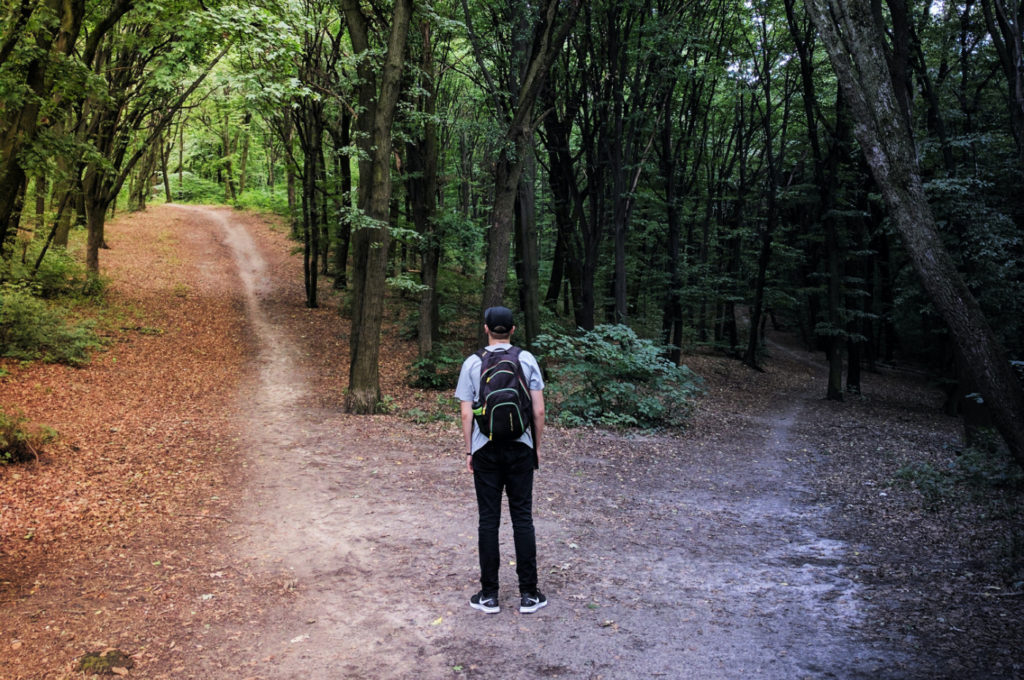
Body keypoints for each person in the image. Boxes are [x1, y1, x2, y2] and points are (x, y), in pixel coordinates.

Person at [455, 306, 547, 615]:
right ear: (512, 329)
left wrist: (470, 450)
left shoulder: (472, 363)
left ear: (486, 329)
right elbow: (538, 411)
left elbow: (467, 412)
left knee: (488, 520)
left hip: (486, 449)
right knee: (522, 518)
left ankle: (490, 595)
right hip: (520, 446)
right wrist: (535, 446)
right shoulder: (527, 359)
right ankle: (530, 594)